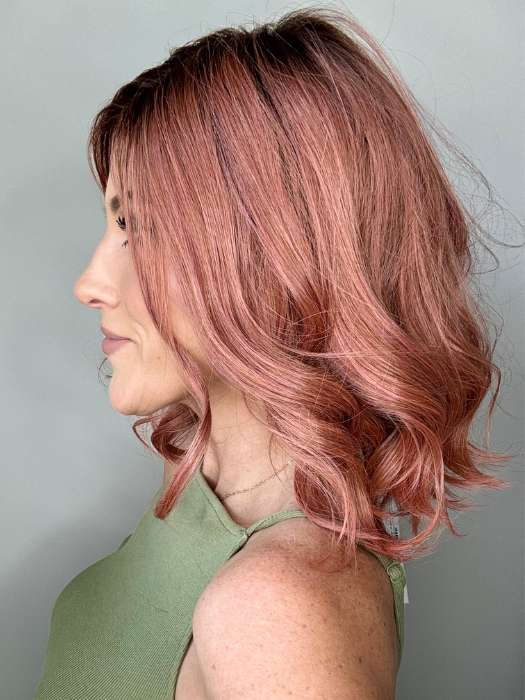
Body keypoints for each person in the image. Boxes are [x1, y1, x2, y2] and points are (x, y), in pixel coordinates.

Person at [33, 6, 512, 699]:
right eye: (114, 224)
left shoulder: (275, 604)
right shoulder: (207, 494)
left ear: (279, 258)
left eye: (141, 228)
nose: (89, 284)